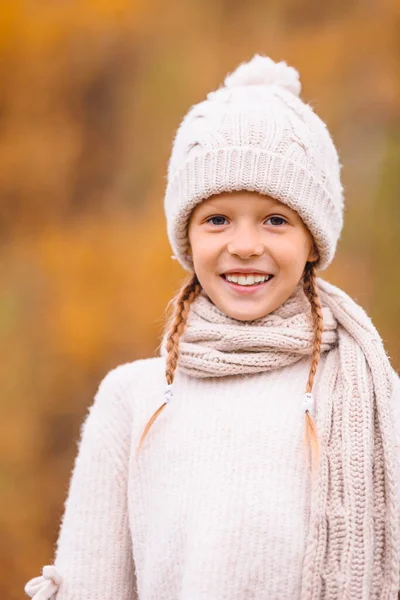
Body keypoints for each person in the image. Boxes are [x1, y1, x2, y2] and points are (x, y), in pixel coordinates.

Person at [24, 54, 400, 600]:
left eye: (276, 219)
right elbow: (90, 584)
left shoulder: (371, 402)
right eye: (217, 218)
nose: (244, 245)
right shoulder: (134, 400)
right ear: (188, 238)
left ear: (313, 240)